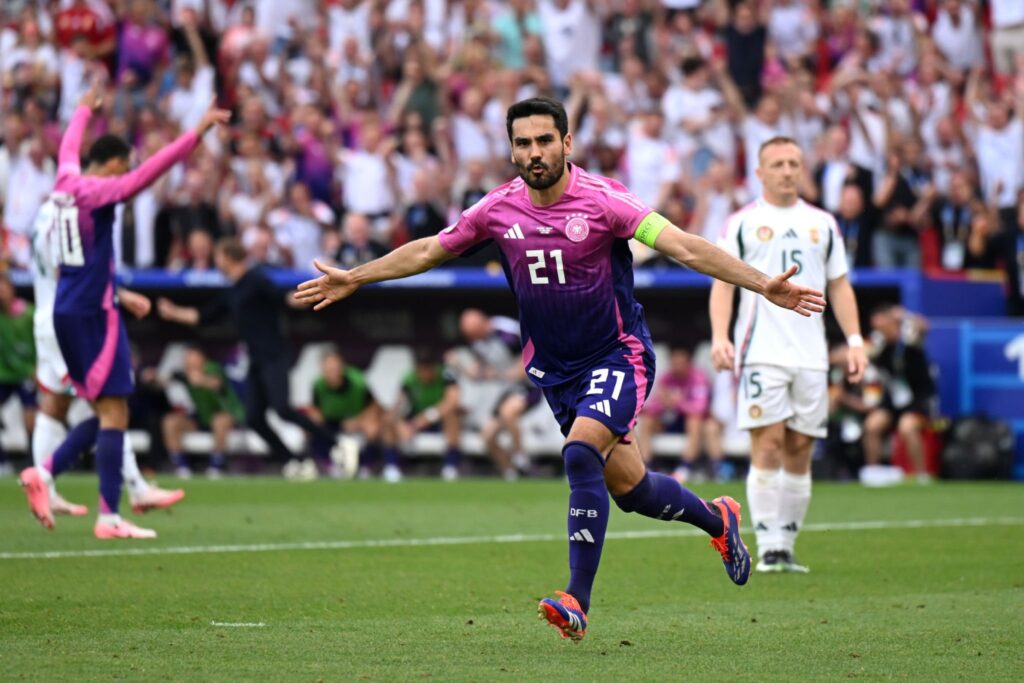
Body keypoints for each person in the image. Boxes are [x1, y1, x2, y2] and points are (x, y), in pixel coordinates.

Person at [296, 97, 826, 639]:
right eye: (523, 143)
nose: (534, 152)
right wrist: (356, 276)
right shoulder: (497, 209)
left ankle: (577, 599)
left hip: (618, 354)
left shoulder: (604, 202)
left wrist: (762, 284)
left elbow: (684, 248)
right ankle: (719, 519)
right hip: (556, 370)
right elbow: (431, 249)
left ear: (567, 143)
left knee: (579, 452)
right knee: (632, 490)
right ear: (511, 149)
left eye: (544, 140)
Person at [17, 83, 223, 538]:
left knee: (107, 411)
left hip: (67, 310)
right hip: (94, 316)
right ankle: (93, 503)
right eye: (122, 164)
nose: (125, 171)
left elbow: (69, 146)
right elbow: (146, 176)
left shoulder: (64, 183)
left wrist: (82, 112)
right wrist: (195, 135)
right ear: (111, 164)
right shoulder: (98, 193)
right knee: (112, 411)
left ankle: (56, 479)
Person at [709, 136, 868, 574]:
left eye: (793, 163)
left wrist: (854, 340)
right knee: (769, 441)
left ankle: (787, 547)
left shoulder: (824, 223)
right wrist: (720, 335)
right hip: (761, 350)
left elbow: (839, 284)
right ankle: (769, 545)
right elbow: (722, 282)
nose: (786, 170)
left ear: (803, 169)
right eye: (777, 163)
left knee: (800, 447)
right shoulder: (742, 222)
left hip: (811, 353)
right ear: (759, 173)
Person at [26, 197, 184, 517]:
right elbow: (68, 271)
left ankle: (50, 490)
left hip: (46, 317)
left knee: (56, 405)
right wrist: (119, 294)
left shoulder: (42, 212)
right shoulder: (72, 215)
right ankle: (48, 479)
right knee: (110, 406)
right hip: (69, 319)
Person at [157, 237, 356, 481]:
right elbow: (203, 316)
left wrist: (313, 294)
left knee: (282, 409)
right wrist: (173, 312)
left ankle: (338, 443)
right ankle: (293, 462)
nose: (216, 261)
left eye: (218, 256)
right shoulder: (232, 291)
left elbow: (283, 299)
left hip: (274, 354)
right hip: (256, 360)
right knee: (254, 418)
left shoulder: (256, 279)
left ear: (229, 257)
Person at [452, 308, 539, 480]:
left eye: (474, 333)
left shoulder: (507, 332)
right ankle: (511, 473)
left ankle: (520, 455)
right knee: (488, 436)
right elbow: (477, 375)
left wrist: (498, 375)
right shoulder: (477, 343)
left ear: (483, 323)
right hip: (508, 390)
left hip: (531, 384)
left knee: (508, 412)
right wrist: (459, 365)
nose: (473, 339)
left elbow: (527, 364)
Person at [862, 304, 937, 485]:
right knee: (872, 425)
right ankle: (873, 473)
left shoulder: (909, 339)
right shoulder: (878, 345)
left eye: (882, 325)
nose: (879, 330)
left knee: (907, 427)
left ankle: (921, 475)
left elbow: (924, 327)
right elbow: (860, 355)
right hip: (893, 399)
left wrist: (905, 315)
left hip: (918, 398)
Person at [636, 346, 723, 484]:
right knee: (647, 420)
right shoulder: (667, 378)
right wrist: (663, 403)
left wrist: (678, 402)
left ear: (688, 363)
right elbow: (654, 405)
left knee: (694, 420)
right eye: (674, 363)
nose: (677, 367)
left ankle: (684, 468)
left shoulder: (698, 377)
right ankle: (648, 466)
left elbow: (700, 409)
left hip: (695, 423)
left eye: (680, 363)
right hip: (672, 420)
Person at [380, 349, 462, 483]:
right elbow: (397, 406)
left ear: (435, 367)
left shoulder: (447, 374)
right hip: (415, 421)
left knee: (452, 416)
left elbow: (452, 401)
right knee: (388, 419)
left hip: (439, 421)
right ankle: (392, 467)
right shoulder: (409, 378)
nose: (425, 373)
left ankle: (450, 467)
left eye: (428, 368)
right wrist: (400, 424)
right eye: (421, 369)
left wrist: (427, 418)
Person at [162, 346, 244, 479]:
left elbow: (217, 383)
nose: (190, 364)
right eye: (187, 361)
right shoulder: (184, 374)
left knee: (220, 420)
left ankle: (216, 468)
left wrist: (202, 380)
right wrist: (152, 377)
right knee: (170, 421)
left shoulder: (212, 368)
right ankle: (182, 468)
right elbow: (164, 381)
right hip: (200, 418)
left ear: (203, 360)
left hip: (225, 416)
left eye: (194, 360)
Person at [309, 348, 381, 479]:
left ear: (342, 366)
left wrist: (358, 421)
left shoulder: (357, 382)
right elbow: (316, 408)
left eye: (335, 367)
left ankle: (365, 466)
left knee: (373, 428)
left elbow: (374, 407)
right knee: (311, 427)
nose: (332, 372)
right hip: (332, 421)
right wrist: (315, 419)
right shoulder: (318, 385)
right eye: (328, 368)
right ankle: (329, 465)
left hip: (356, 419)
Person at [0, 270, 36, 477]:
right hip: (3, 374)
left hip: (26, 375)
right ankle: (2, 461)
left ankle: (33, 462)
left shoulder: (28, 313)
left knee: (32, 418)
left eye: (3, 286)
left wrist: (37, 367)